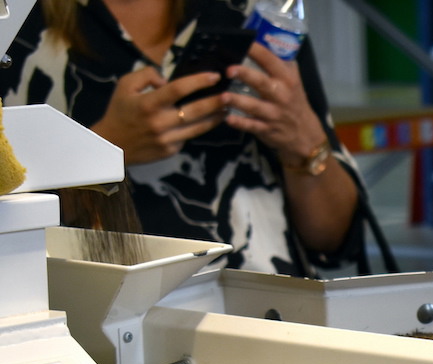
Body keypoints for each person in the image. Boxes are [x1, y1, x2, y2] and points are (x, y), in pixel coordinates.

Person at [0, 0, 375, 276]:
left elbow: (337, 242)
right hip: (97, 320)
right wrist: (105, 149)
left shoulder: (256, 12)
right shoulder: (15, 25)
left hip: (266, 312)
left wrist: (305, 146)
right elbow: (12, 233)